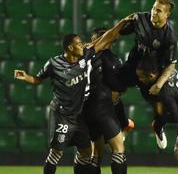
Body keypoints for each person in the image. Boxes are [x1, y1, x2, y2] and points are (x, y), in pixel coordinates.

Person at [14, 16, 133, 174]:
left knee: (86, 152)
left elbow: (106, 39)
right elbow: (38, 79)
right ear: (70, 48)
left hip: (80, 116)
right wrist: (26, 77)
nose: (82, 45)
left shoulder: (85, 57)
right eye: (78, 43)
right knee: (56, 154)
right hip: (62, 114)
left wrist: (123, 22)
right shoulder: (54, 63)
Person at [83, 27, 134, 174]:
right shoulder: (111, 58)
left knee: (95, 152)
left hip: (85, 109)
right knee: (118, 149)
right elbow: (115, 90)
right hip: (103, 108)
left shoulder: (83, 57)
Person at [118, 0, 177, 95]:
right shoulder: (140, 20)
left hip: (152, 76)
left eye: (158, 11)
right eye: (153, 8)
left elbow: (171, 65)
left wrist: (158, 84)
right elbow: (118, 32)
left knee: (160, 103)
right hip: (133, 66)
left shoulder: (169, 37)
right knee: (114, 87)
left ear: (167, 14)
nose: (154, 13)